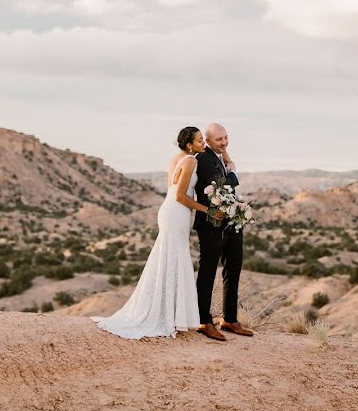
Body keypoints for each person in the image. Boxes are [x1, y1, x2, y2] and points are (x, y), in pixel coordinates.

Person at [92, 126, 214, 339]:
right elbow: (180, 196)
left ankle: (166, 312)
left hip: (169, 211)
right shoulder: (191, 161)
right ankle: (166, 316)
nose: (203, 143)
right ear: (189, 145)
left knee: (167, 258)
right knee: (173, 257)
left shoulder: (176, 158)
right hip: (177, 211)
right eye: (199, 141)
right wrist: (208, 209)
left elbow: (171, 190)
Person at [193, 123, 254, 340]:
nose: (224, 142)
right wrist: (233, 171)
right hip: (211, 224)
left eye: (226, 138)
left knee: (233, 268)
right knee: (208, 271)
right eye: (219, 140)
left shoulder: (219, 155)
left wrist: (226, 156)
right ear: (207, 141)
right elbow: (221, 189)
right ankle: (203, 321)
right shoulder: (204, 160)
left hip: (230, 222)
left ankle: (229, 319)